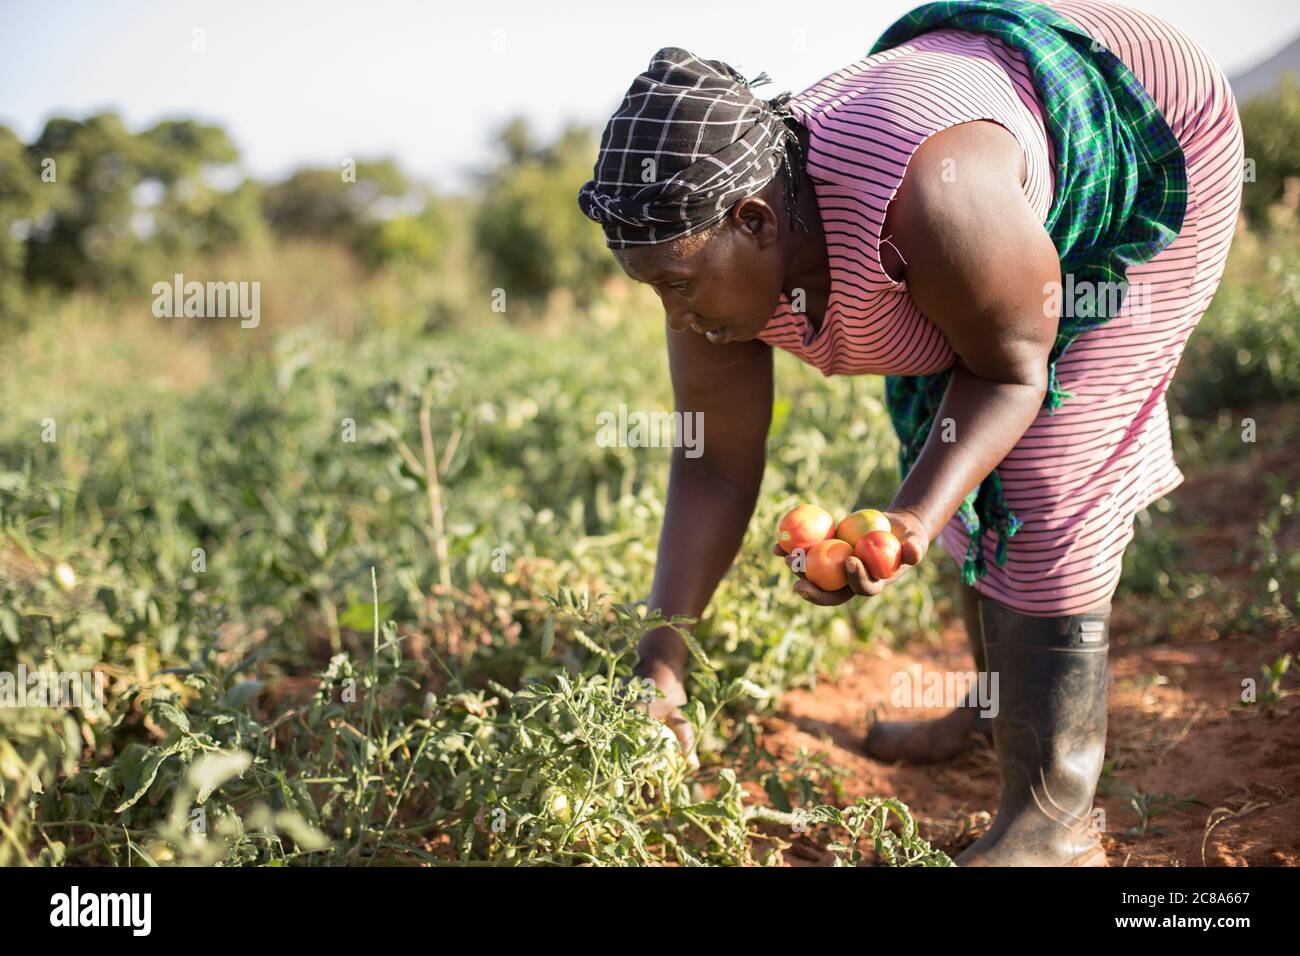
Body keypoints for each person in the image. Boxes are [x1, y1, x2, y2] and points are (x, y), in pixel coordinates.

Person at [577, 0, 1243, 865]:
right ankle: (1002, 704)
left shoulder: (932, 200)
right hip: (970, 149)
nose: (672, 313)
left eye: (675, 283)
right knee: (944, 432)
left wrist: (910, 523)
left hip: (1144, 116)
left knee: (1042, 467)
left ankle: (1055, 819)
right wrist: (658, 665)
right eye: (652, 290)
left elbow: (1010, 372)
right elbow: (714, 467)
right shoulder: (711, 258)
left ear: (755, 220)